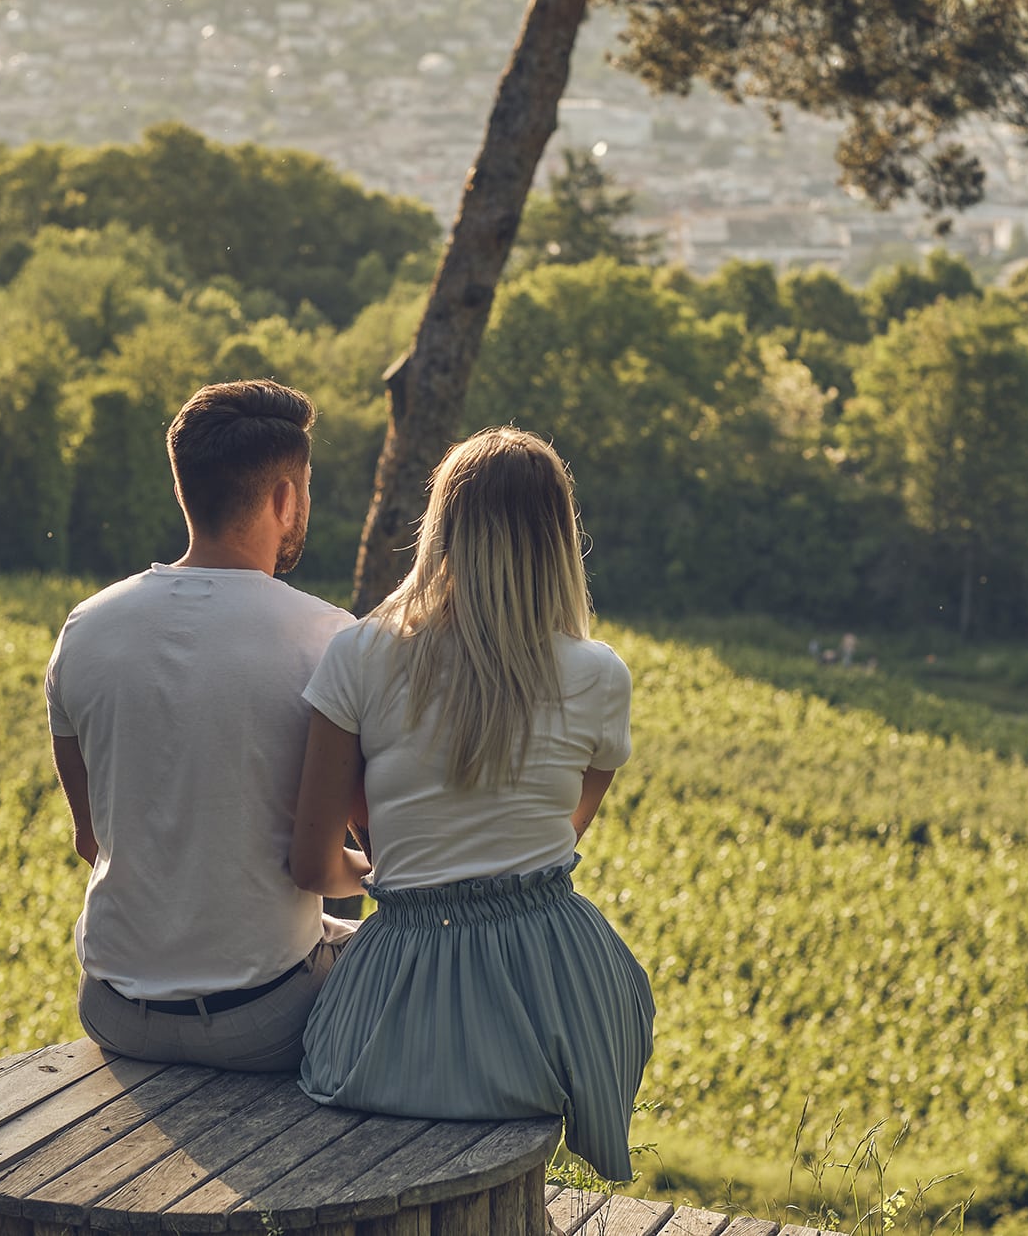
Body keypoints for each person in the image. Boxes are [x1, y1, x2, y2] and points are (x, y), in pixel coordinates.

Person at [288, 427, 654, 1182]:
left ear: (442, 529)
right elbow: (555, 835)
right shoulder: (598, 674)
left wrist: (387, 867)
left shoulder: (361, 653)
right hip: (558, 989)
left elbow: (312, 862)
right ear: (557, 537)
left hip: (401, 989)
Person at [45, 379, 354, 1072]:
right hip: (264, 1022)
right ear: (284, 499)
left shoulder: (85, 628)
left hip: (113, 1008)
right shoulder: (327, 636)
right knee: (407, 952)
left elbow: (91, 836)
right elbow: (345, 844)